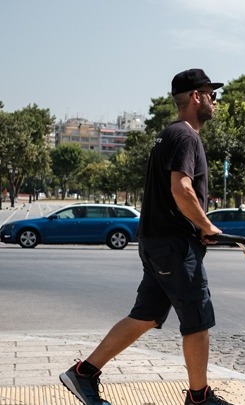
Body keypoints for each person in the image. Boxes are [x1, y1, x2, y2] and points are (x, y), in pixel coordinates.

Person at [60, 69, 233, 405]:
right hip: (173, 244)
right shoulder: (185, 136)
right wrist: (206, 225)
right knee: (197, 318)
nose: (215, 100)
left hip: (158, 241)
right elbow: (181, 188)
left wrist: (198, 226)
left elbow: (173, 194)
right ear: (196, 96)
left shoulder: (167, 134)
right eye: (211, 94)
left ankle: (84, 372)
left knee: (147, 315)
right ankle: (200, 398)